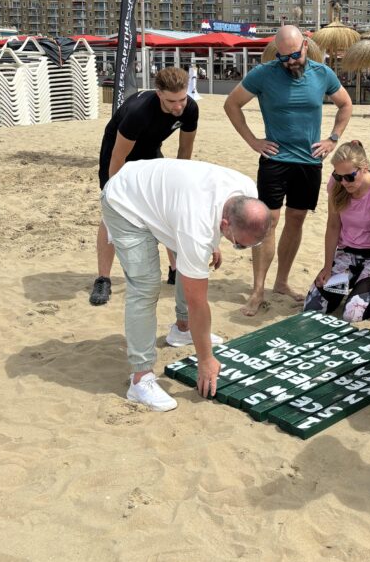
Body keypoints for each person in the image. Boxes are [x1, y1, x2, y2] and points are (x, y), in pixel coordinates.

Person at [101, 158, 272, 411]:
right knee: (145, 287)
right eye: (238, 244)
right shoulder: (197, 225)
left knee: (193, 260)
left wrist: (213, 243)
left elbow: (206, 226)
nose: (240, 248)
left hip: (160, 198)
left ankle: (182, 330)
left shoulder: (247, 190)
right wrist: (206, 359)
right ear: (225, 225)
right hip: (125, 203)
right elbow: (197, 301)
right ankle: (140, 379)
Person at [223, 25, 353, 316]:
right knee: (267, 222)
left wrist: (332, 138)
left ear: (305, 46)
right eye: (284, 57)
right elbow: (232, 105)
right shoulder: (263, 74)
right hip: (275, 160)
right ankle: (257, 290)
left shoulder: (322, 74)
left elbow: (345, 105)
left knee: (296, 220)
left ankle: (281, 282)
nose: (290, 62)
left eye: (294, 55)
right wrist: (253, 140)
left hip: (309, 162)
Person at [89, 68, 198, 306]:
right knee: (112, 215)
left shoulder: (189, 108)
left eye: (182, 99)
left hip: (150, 151)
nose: (179, 106)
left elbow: (184, 152)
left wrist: (179, 185)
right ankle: (103, 279)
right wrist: (115, 194)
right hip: (119, 155)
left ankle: (174, 269)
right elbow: (118, 157)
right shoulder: (139, 113)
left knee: (166, 210)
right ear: (158, 93)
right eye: (172, 101)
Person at [303, 141, 370, 328]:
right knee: (313, 308)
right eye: (339, 177)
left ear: (364, 169)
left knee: (352, 314)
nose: (344, 182)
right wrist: (327, 267)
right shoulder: (337, 185)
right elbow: (332, 226)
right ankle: (355, 284)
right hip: (347, 252)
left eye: (350, 177)